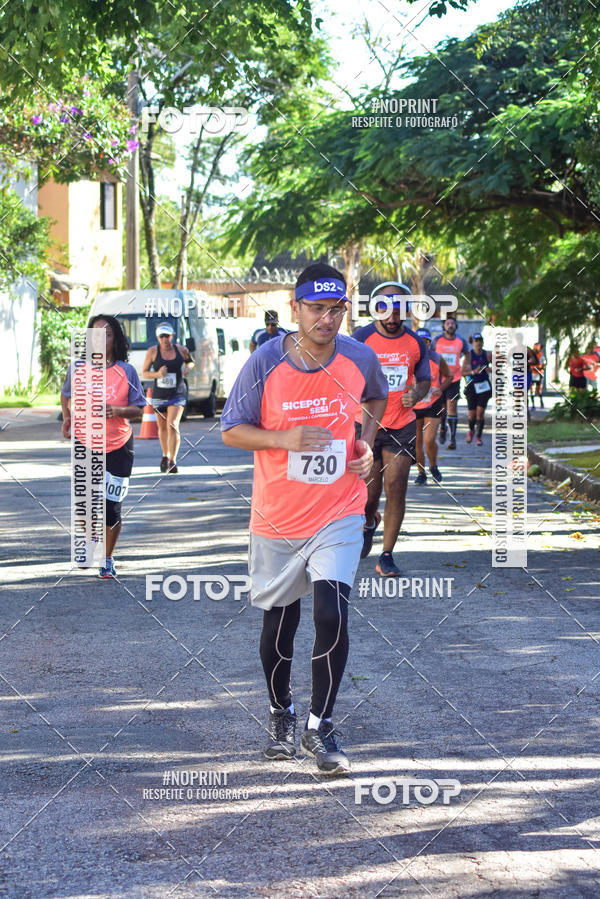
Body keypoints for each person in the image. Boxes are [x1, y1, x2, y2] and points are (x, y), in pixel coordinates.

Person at [221, 263, 387, 776]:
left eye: (336, 309)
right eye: (316, 309)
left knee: (331, 613)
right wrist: (284, 439)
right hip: (277, 515)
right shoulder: (264, 361)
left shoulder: (360, 356)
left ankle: (321, 724)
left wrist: (366, 444)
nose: (326, 319)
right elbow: (231, 429)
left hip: (339, 510)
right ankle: (281, 712)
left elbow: (376, 397)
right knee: (280, 622)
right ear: (295, 309)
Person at [353, 281, 431, 576]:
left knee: (396, 488)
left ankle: (386, 554)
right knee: (369, 495)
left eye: (398, 310)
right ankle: (368, 521)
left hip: (401, 424)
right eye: (385, 309)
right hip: (366, 425)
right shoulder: (360, 339)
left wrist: (417, 394)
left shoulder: (415, 343)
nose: (392, 317)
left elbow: (424, 379)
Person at [61, 315, 146, 578]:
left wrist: (118, 410)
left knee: (112, 507)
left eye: (107, 334)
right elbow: (66, 394)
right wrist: (67, 417)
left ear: (115, 339)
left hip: (119, 445)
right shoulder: (77, 368)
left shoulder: (126, 371)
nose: (100, 339)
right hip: (86, 443)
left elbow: (139, 408)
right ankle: (91, 542)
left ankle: (107, 558)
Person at [141, 322, 193, 473]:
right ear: (158, 337)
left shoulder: (181, 350)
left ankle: (172, 460)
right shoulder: (152, 352)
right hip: (160, 394)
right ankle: (165, 455)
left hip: (177, 393)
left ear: (172, 336)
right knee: (163, 427)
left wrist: (187, 368)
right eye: (161, 336)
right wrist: (158, 374)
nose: (164, 339)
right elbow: (144, 373)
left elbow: (190, 362)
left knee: (173, 424)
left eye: (167, 336)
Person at [413, 328, 452, 484]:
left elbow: (449, 376)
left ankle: (433, 466)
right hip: (414, 404)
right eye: (420, 341)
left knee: (429, 440)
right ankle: (421, 473)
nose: (423, 344)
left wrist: (440, 388)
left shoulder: (437, 358)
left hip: (432, 403)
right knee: (417, 442)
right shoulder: (409, 358)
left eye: (426, 341)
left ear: (430, 343)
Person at [431, 316, 469, 449]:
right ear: (444, 326)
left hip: (454, 379)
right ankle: (443, 427)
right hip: (439, 380)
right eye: (447, 323)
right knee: (442, 409)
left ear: (456, 326)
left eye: (452, 323)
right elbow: (430, 354)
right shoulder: (436, 340)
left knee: (452, 407)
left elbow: (468, 353)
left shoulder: (461, 341)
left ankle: (452, 439)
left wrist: (466, 366)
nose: (450, 325)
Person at [463, 333, 492, 446]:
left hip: (484, 386)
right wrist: (473, 372)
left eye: (480, 340)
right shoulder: (469, 356)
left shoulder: (487, 354)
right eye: (476, 340)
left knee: (480, 413)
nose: (479, 342)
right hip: (472, 386)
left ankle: (478, 437)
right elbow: (462, 372)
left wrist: (488, 369)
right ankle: (471, 431)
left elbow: (498, 367)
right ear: (472, 342)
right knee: (472, 415)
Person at [530, 342, 546, 408]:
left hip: (539, 374)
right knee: (532, 389)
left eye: (536, 349)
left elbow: (544, 366)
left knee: (538, 390)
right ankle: (533, 405)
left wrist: (539, 368)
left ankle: (541, 403)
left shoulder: (541, 356)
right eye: (534, 348)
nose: (535, 350)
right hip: (532, 374)